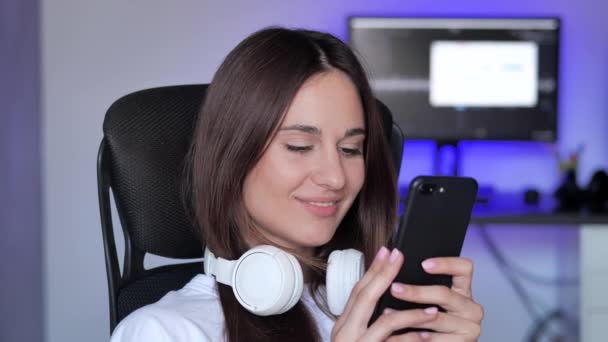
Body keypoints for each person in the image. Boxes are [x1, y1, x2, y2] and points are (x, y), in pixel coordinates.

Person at [110, 27, 483, 342]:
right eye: (300, 147)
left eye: (351, 148)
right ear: (232, 157)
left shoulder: (384, 321)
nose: (336, 177)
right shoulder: (163, 331)